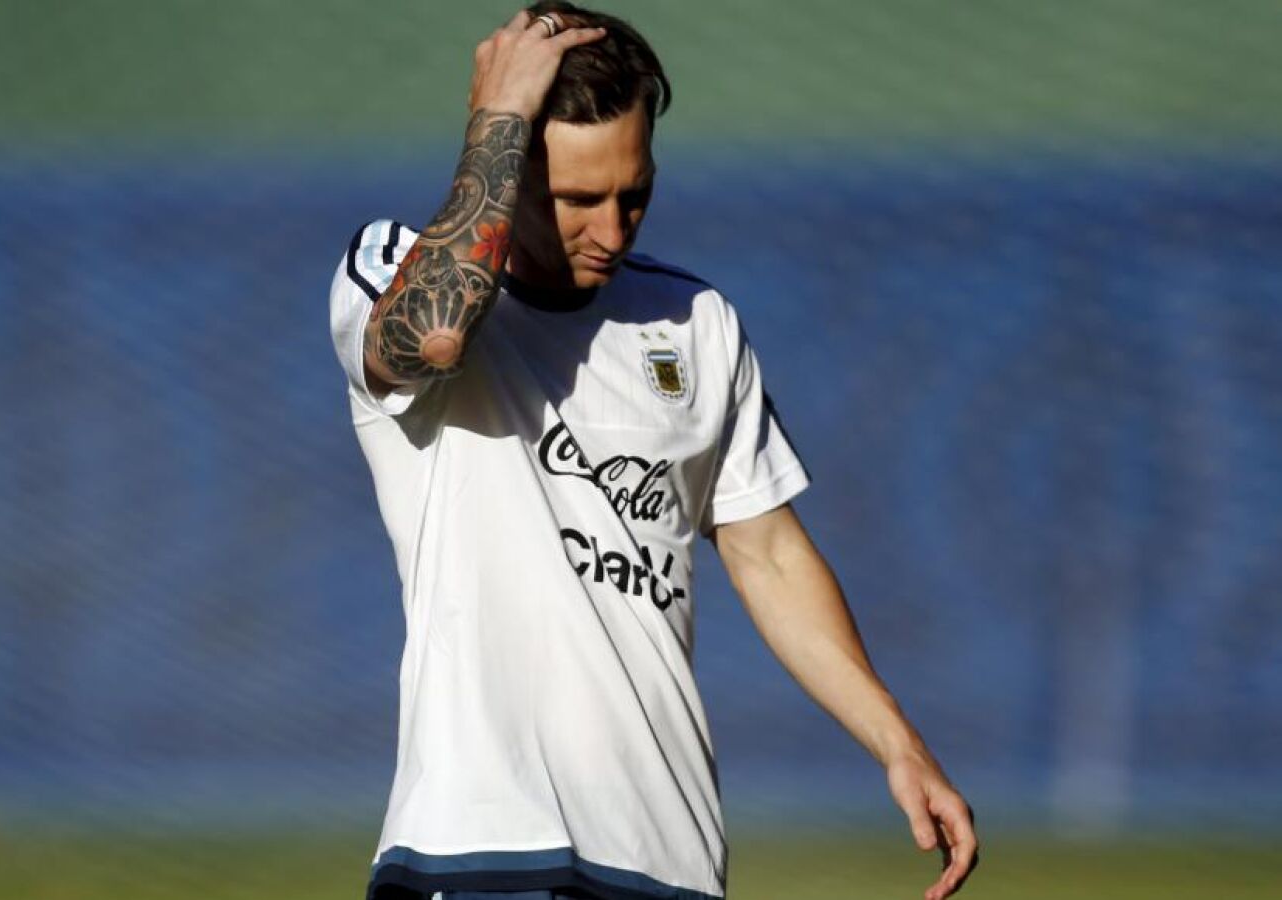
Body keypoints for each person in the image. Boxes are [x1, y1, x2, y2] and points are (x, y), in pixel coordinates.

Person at [328, 4, 978, 899]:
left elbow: (770, 554)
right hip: (477, 848)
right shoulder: (389, 267)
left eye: (633, 194)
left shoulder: (694, 321)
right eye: (577, 201)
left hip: (667, 861)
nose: (612, 229)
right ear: (509, 167)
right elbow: (434, 338)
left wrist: (897, 743)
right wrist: (498, 119)